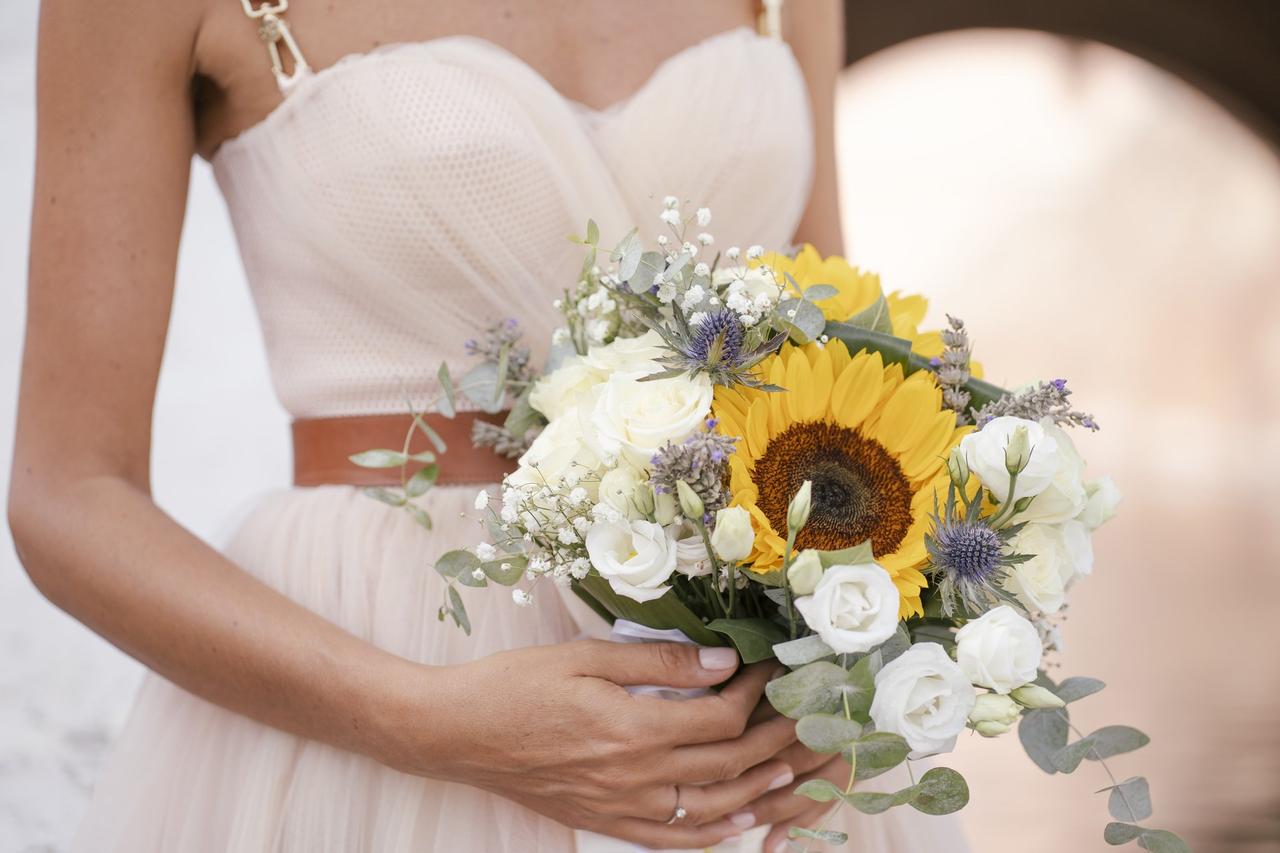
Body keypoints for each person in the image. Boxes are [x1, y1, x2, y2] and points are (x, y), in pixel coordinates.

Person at [10, 0, 965, 849]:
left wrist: (859, 658)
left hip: (743, 716)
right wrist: (422, 720)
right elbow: (69, 492)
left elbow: (833, 360)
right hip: (371, 699)